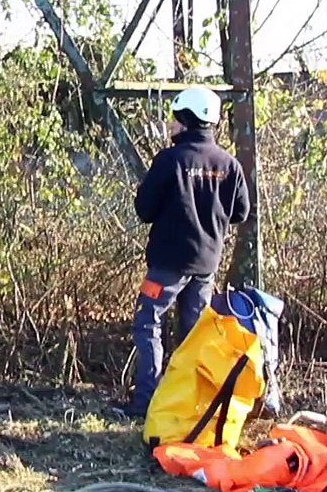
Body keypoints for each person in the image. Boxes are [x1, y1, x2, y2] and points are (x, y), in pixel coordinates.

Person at [116, 84, 251, 419]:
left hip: (166, 266)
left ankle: (146, 403)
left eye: (176, 118)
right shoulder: (229, 165)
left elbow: (144, 209)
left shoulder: (169, 160)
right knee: (194, 336)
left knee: (148, 322)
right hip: (206, 266)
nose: (172, 125)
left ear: (188, 119)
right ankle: (187, 406)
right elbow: (240, 213)